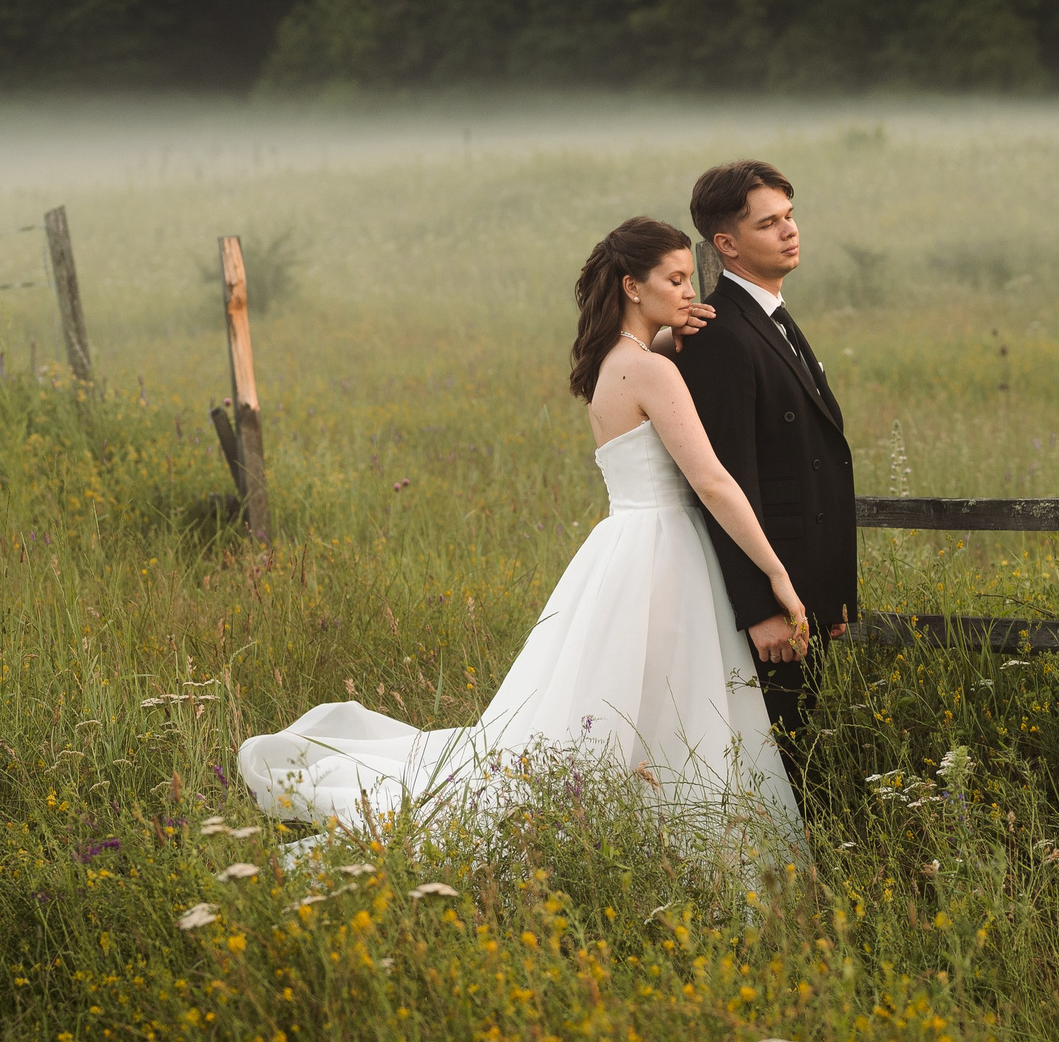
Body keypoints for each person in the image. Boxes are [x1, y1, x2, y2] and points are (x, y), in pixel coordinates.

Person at [235, 217, 807, 843]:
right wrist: (775, 572)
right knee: (672, 700)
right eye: (674, 280)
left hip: (625, 546)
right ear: (632, 288)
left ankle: (631, 827)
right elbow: (714, 482)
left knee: (623, 700)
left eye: (689, 281)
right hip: (665, 550)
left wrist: (670, 336)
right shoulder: (652, 370)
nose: (689, 294)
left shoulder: (615, 363)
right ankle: (668, 832)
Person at [674, 161, 858, 801]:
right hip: (770, 603)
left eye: (789, 215)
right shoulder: (719, 333)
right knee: (779, 764)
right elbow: (726, 481)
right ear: (725, 244)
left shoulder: (774, 315)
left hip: (808, 589)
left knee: (805, 753)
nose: (789, 231)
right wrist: (761, 608)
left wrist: (830, 594)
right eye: (768, 222)